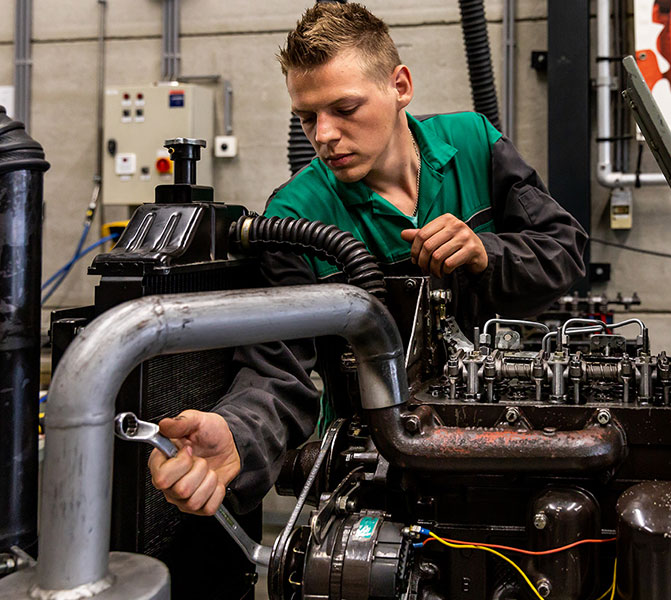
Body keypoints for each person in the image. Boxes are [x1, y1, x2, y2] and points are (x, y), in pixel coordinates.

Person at [148, 2, 587, 517]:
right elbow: (277, 371)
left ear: (400, 86)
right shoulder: (296, 215)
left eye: (345, 109)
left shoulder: (474, 143)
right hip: (373, 467)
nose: (325, 135)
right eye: (307, 117)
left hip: (501, 433)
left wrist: (484, 252)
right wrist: (236, 434)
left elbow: (564, 251)